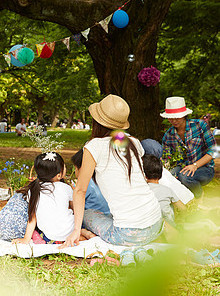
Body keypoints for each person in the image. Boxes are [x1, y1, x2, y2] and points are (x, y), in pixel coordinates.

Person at [61, 94, 163, 248]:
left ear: (97, 121)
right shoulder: (134, 143)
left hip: (127, 234)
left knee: (88, 214)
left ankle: (85, 234)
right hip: (156, 224)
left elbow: (80, 190)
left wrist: (76, 230)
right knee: (107, 215)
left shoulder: (94, 146)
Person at [12, 152, 95, 244]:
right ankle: (83, 232)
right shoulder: (66, 188)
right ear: (59, 175)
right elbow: (75, 209)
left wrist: (26, 239)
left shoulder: (33, 190)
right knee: (78, 219)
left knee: (38, 230)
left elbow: (32, 218)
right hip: (71, 231)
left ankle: (41, 238)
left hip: (50, 237)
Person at [160, 97, 217, 198]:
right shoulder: (168, 136)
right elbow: (166, 159)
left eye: (177, 117)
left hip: (205, 169)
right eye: (170, 117)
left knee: (185, 177)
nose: (173, 120)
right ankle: (184, 199)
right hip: (183, 167)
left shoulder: (200, 125)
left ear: (183, 115)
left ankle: (198, 196)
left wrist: (195, 165)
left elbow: (213, 151)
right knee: (169, 177)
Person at [143, 154, 186, 228]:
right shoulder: (167, 190)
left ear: (143, 174)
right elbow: (183, 208)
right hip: (170, 225)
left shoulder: (143, 191)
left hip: (150, 227)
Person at [71, 149, 110, 215]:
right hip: (110, 215)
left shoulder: (85, 182)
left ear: (82, 168)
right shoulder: (103, 178)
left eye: (75, 168)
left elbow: (76, 202)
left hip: (94, 218)